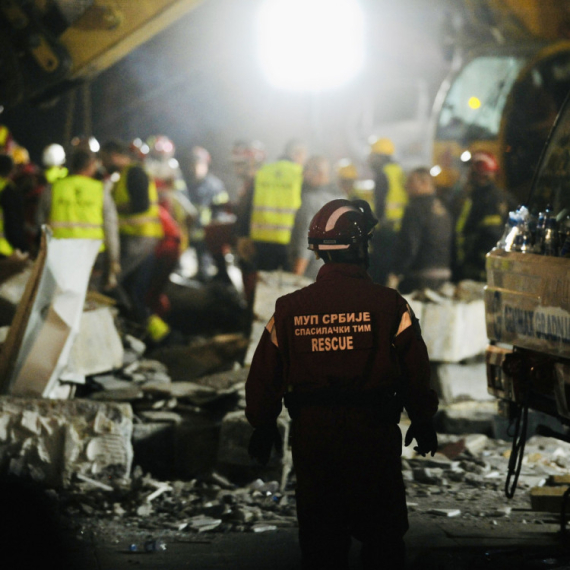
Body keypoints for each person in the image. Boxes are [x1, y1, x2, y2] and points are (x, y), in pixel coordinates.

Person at [246, 198, 439, 570]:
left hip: (313, 439)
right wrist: (422, 417)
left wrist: (263, 423)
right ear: (358, 247)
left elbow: (264, 371)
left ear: (318, 252)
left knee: (322, 543)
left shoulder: (288, 309)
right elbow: (415, 367)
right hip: (372, 437)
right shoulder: (389, 304)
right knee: (382, 539)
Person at [37, 148, 120, 290]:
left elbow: (40, 220)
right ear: (91, 165)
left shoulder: (54, 187)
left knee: (58, 294)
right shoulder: (100, 190)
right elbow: (110, 226)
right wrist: (113, 258)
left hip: (59, 251)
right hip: (92, 254)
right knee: (87, 297)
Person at [100, 140, 164, 322]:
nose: (103, 164)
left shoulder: (135, 172)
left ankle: (136, 323)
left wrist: (112, 209)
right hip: (138, 238)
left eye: (105, 159)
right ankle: (142, 327)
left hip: (140, 238)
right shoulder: (126, 174)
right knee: (133, 289)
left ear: (114, 156)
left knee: (111, 281)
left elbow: (140, 205)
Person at [388, 168, 453, 294]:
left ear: (424, 183)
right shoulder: (443, 209)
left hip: (418, 277)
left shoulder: (415, 209)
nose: (406, 186)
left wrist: (396, 273)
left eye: (411, 181)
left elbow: (409, 245)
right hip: (444, 275)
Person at [247, 139, 307, 271]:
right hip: (288, 239)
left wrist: (244, 234)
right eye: (303, 155)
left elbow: (248, 203)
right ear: (297, 154)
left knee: (263, 282)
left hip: (260, 238)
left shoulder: (263, 171)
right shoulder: (299, 173)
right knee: (286, 286)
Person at [453, 150, 512, 282]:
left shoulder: (490, 199)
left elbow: (491, 235)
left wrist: (473, 258)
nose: (467, 176)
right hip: (472, 265)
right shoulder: (478, 196)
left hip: (480, 269)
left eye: (471, 172)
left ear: (478, 174)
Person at [290, 155, 343, 279]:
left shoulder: (311, 200)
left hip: (311, 274)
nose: (303, 174)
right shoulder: (342, 199)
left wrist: (296, 275)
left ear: (319, 172)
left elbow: (306, 240)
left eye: (307, 169)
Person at [185, 145, 229, 280]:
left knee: (209, 272)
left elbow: (222, 214)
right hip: (193, 236)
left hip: (210, 238)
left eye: (199, 164)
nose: (195, 168)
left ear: (206, 165)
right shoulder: (188, 185)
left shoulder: (215, 186)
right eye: (193, 164)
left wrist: (216, 234)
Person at [367, 137, 408, 285]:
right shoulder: (398, 171)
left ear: (379, 156)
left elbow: (379, 204)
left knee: (377, 271)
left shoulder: (383, 173)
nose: (369, 159)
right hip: (399, 229)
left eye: (372, 155)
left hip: (385, 230)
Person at [0, 153, 27, 256]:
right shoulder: (10, 191)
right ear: (11, 170)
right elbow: (14, 223)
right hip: (4, 250)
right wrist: (22, 247)